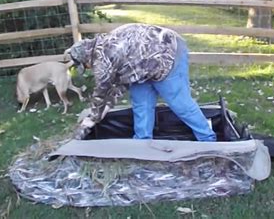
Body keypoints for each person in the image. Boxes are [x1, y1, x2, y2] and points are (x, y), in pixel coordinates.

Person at [65, 23, 216, 142]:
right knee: (141, 104)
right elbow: (116, 88)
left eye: (85, 66)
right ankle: (142, 144)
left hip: (168, 52)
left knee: (180, 103)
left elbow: (100, 95)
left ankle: (208, 139)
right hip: (141, 66)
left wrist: (89, 122)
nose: (87, 68)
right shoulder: (103, 48)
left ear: (86, 59)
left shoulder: (103, 60)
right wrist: (103, 109)